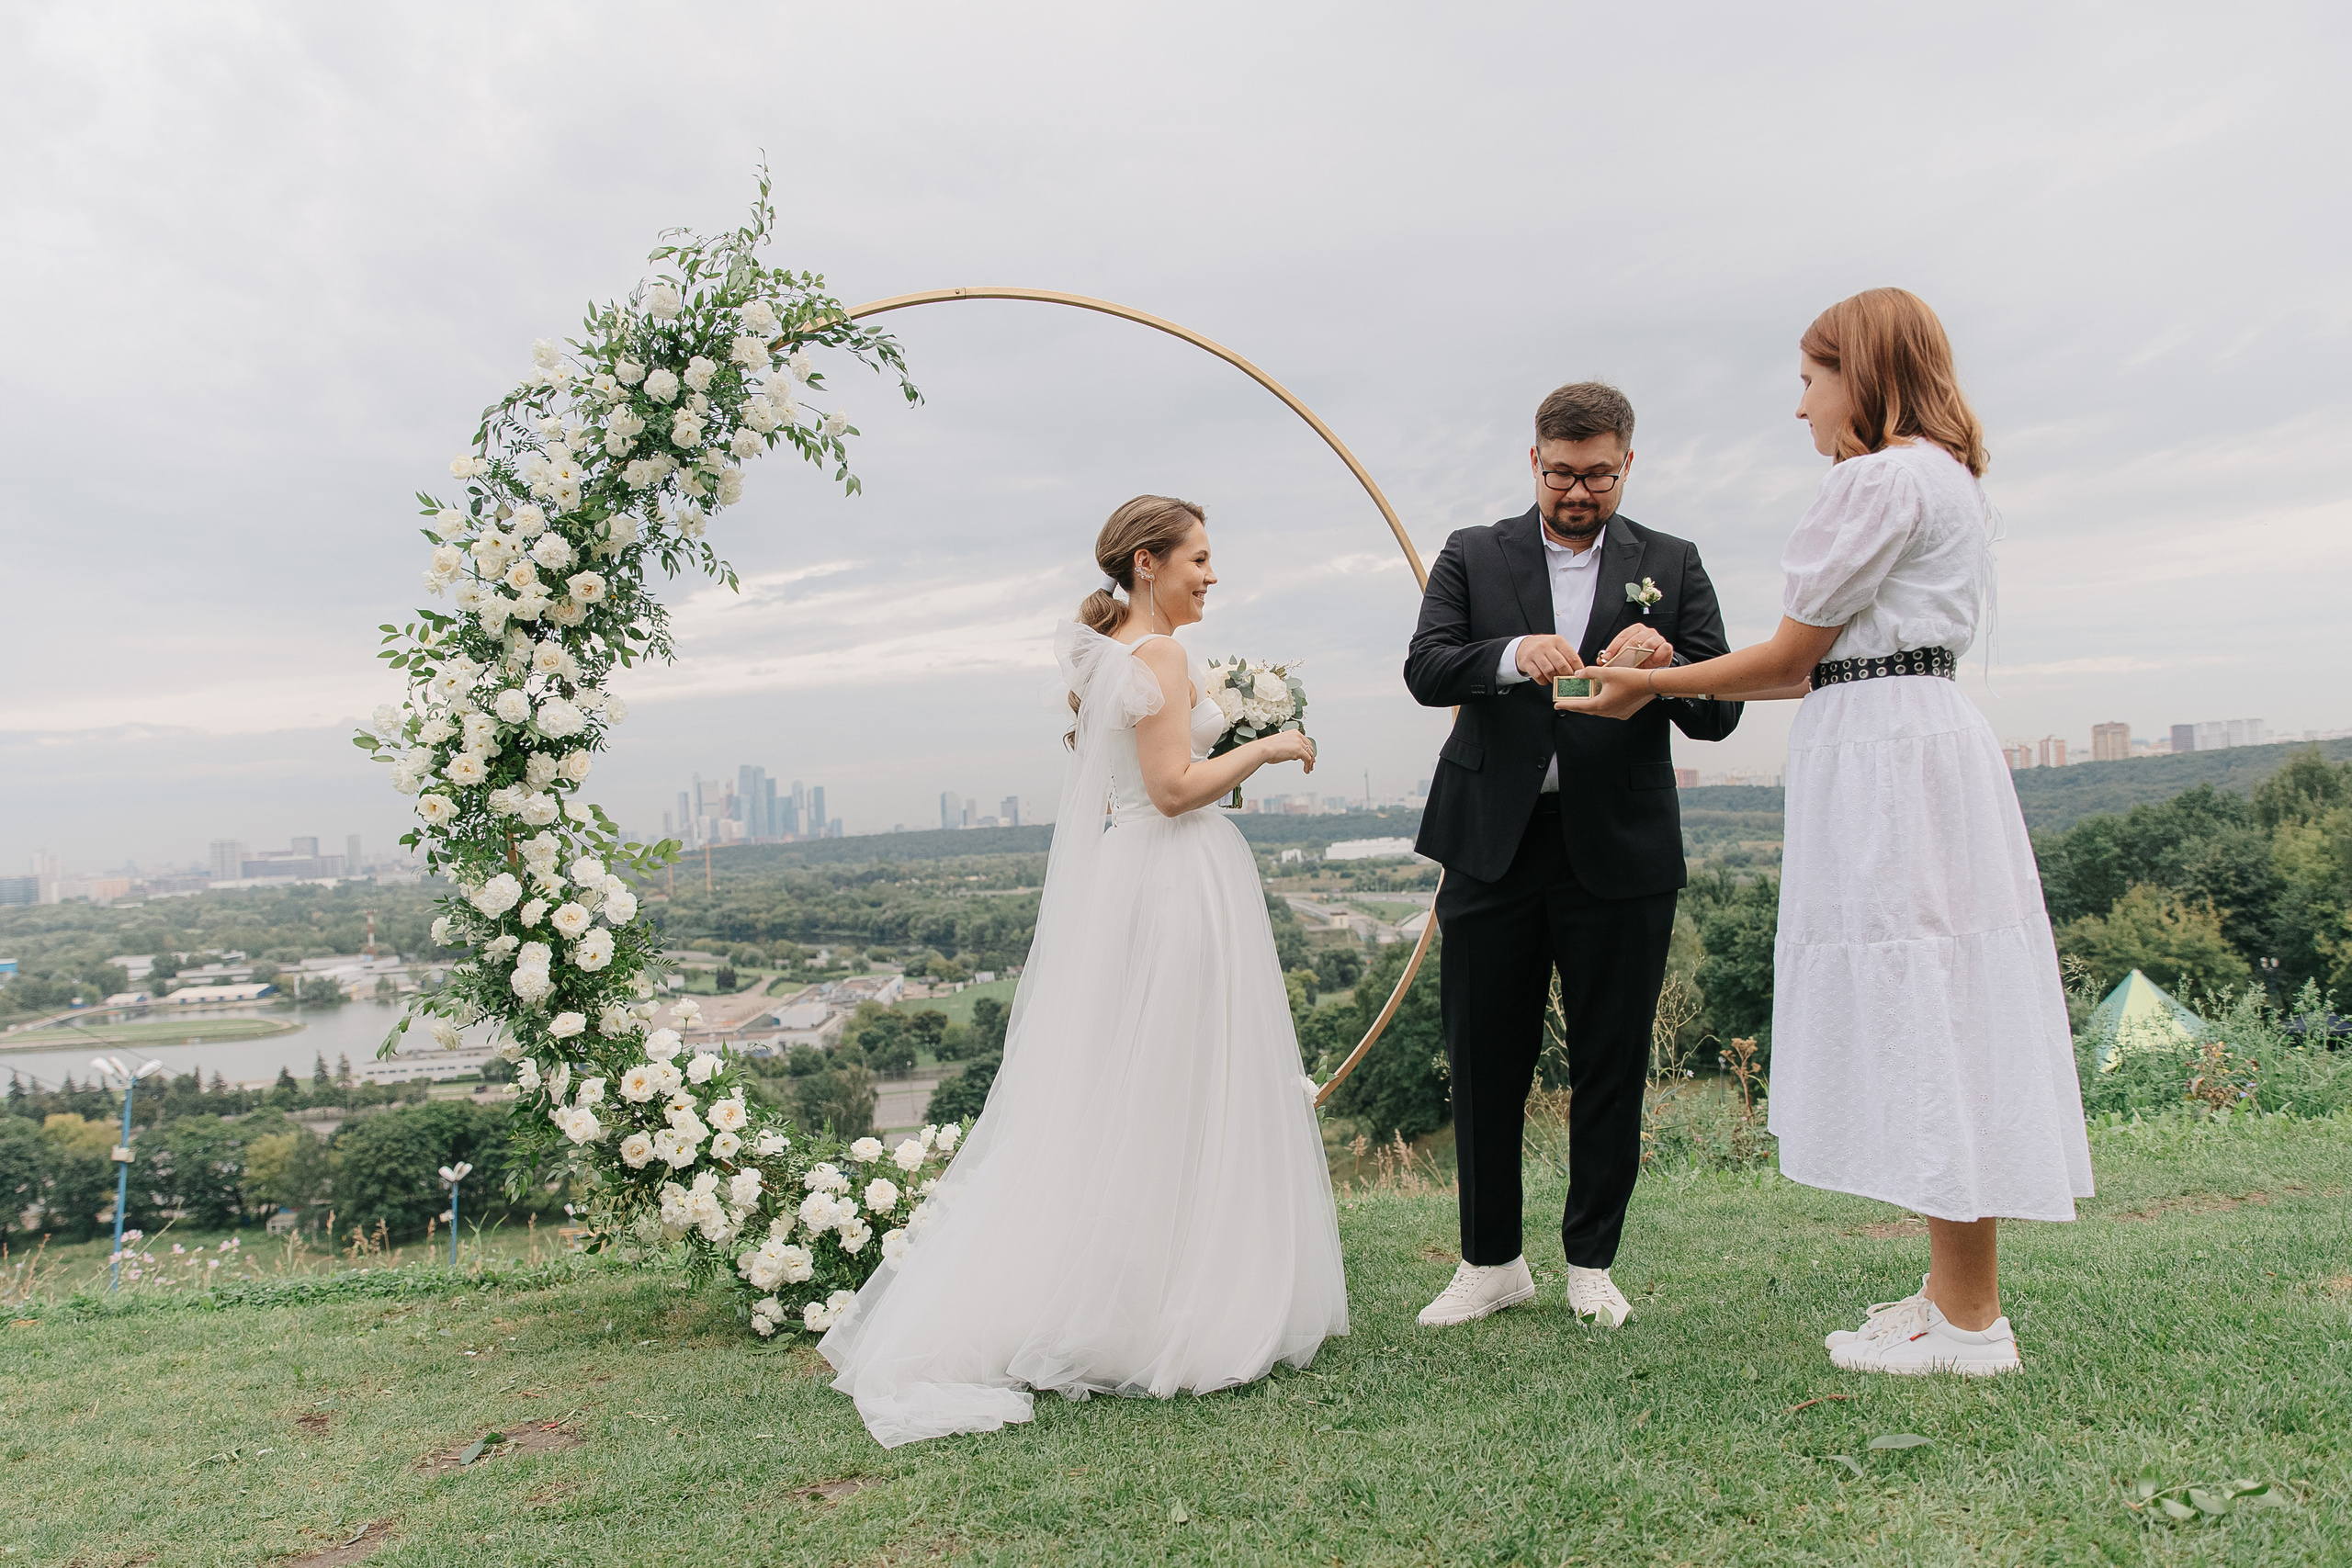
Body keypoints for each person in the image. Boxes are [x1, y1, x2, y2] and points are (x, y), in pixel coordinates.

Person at [1561, 288, 2092, 1375]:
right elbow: (1823, 667)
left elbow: (1791, 657)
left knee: (1925, 1003)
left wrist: (1642, 683)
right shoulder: (1942, 475)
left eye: (1811, 379)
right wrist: (1674, 673)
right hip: (1910, 732)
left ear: (1862, 374)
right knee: (1941, 997)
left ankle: (1970, 1323)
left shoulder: (1876, 478)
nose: (1800, 404)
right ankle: (1953, 1293)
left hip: (1888, 762)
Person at [821, 494, 1346, 1446]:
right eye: (1198, 558)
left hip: (1134, 875)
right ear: (1147, 562)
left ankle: (1148, 1279)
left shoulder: (1115, 652)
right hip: (1176, 874)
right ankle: (1172, 1299)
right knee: (1182, 1075)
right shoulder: (1159, 655)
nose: (1211, 574)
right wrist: (1268, 744)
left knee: (1141, 1080)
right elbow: (1172, 789)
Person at [1404, 382, 1745, 1330]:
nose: (1577, 493)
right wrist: (1512, 653)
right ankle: (1489, 1262)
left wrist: (1663, 662)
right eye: (1560, 474)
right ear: (1533, 462)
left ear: (1626, 464)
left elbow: (1719, 712)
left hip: (1621, 848)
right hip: (1492, 843)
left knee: (1610, 1058)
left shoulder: (1671, 562)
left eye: (1597, 475)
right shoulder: (1473, 553)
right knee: (1484, 1057)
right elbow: (1426, 667)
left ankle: (1591, 1262)